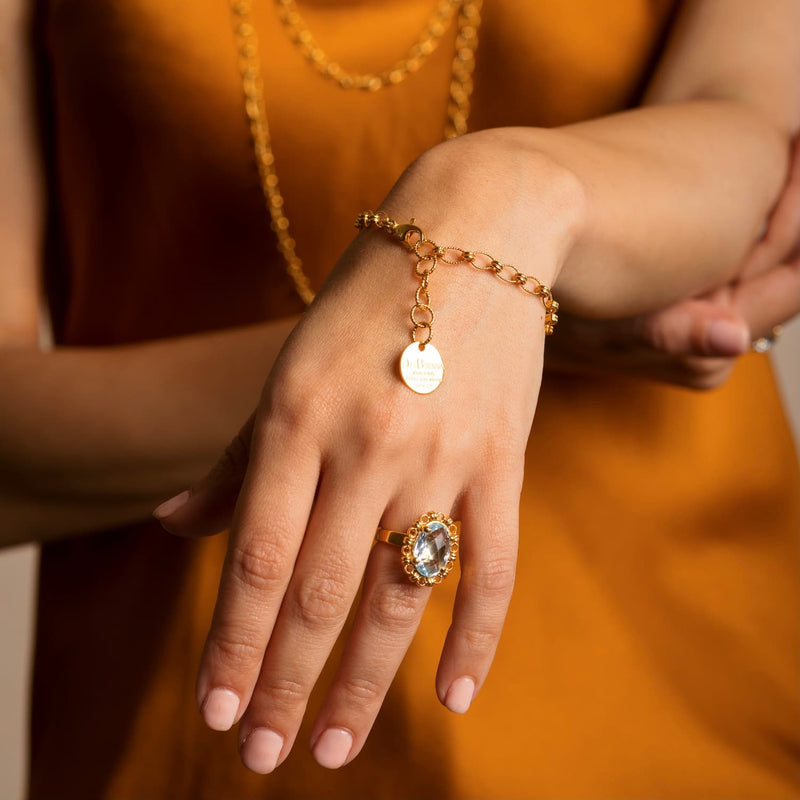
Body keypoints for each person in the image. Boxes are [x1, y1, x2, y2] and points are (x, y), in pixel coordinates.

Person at [1, 0, 797, 797]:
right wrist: (434, 354)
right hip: (200, 733)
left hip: (675, 701)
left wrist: (500, 194)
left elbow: (754, 147)